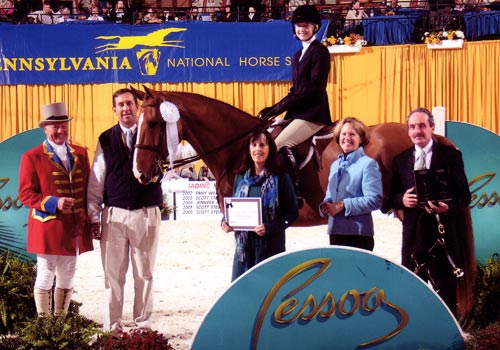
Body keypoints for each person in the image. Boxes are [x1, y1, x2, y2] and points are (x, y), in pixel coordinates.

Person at [87, 88, 163, 332]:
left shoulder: (154, 132)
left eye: (129, 104)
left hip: (146, 212)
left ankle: (143, 324)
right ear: (114, 109)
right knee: (113, 276)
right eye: (120, 105)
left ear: (136, 107)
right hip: (114, 214)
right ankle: (114, 326)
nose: (126, 108)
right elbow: (97, 179)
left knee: (145, 273)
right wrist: (93, 215)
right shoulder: (105, 138)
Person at [389, 107, 474, 317]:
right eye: (412, 127)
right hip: (412, 238)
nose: (417, 130)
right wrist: (402, 200)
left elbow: (464, 196)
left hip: (442, 235)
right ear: (408, 131)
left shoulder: (451, 156)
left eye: (421, 126)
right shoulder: (399, 161)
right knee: (412, 293)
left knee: (446, 295)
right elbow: (390, 197)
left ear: (432, 128)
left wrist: (448, 207)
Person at [18, 102, 93, 317]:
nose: (60, 131)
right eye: (54, 126)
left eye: (63, 125)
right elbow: (26, 195)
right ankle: (44, 323)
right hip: (47, 226)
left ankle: (59, 322)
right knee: (45, 274)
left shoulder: (80, 153)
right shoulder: (32, 157)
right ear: (45, 128)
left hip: (73, 227)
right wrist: (54, 202)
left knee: (68, 274)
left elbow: (87, 189)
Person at [258, 5, 332, 202]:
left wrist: (279, 107)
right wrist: (275, 108)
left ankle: (293, 192)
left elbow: (312, 88)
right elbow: (296, 90)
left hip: (313, 113)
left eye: (306, 26)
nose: (302, 30)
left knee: (278, 144)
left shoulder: (320, 51)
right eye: (299, 26)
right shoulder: (298, 55)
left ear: (315, 27)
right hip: (298, 113)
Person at [221, 130, 299, 281]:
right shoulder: (240, 178)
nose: (258, 149)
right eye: (254, 145)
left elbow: (292, 212)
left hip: (270, 250)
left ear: (270, 149)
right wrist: (225, 221)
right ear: (248, 149)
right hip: (244, 253)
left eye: (262, 145)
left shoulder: (281, 178)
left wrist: (270, 227)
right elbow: (233, 208)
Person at [319, 117, 383, 251]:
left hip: (358, 235)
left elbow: (375, 200)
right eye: (344, 134)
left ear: (361, 139)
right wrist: (326, 205)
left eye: (352, 134)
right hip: (336, 233)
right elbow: (330, 196)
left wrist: (343, 205)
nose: (347, 138)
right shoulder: (335, 165)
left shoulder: (368, 164)